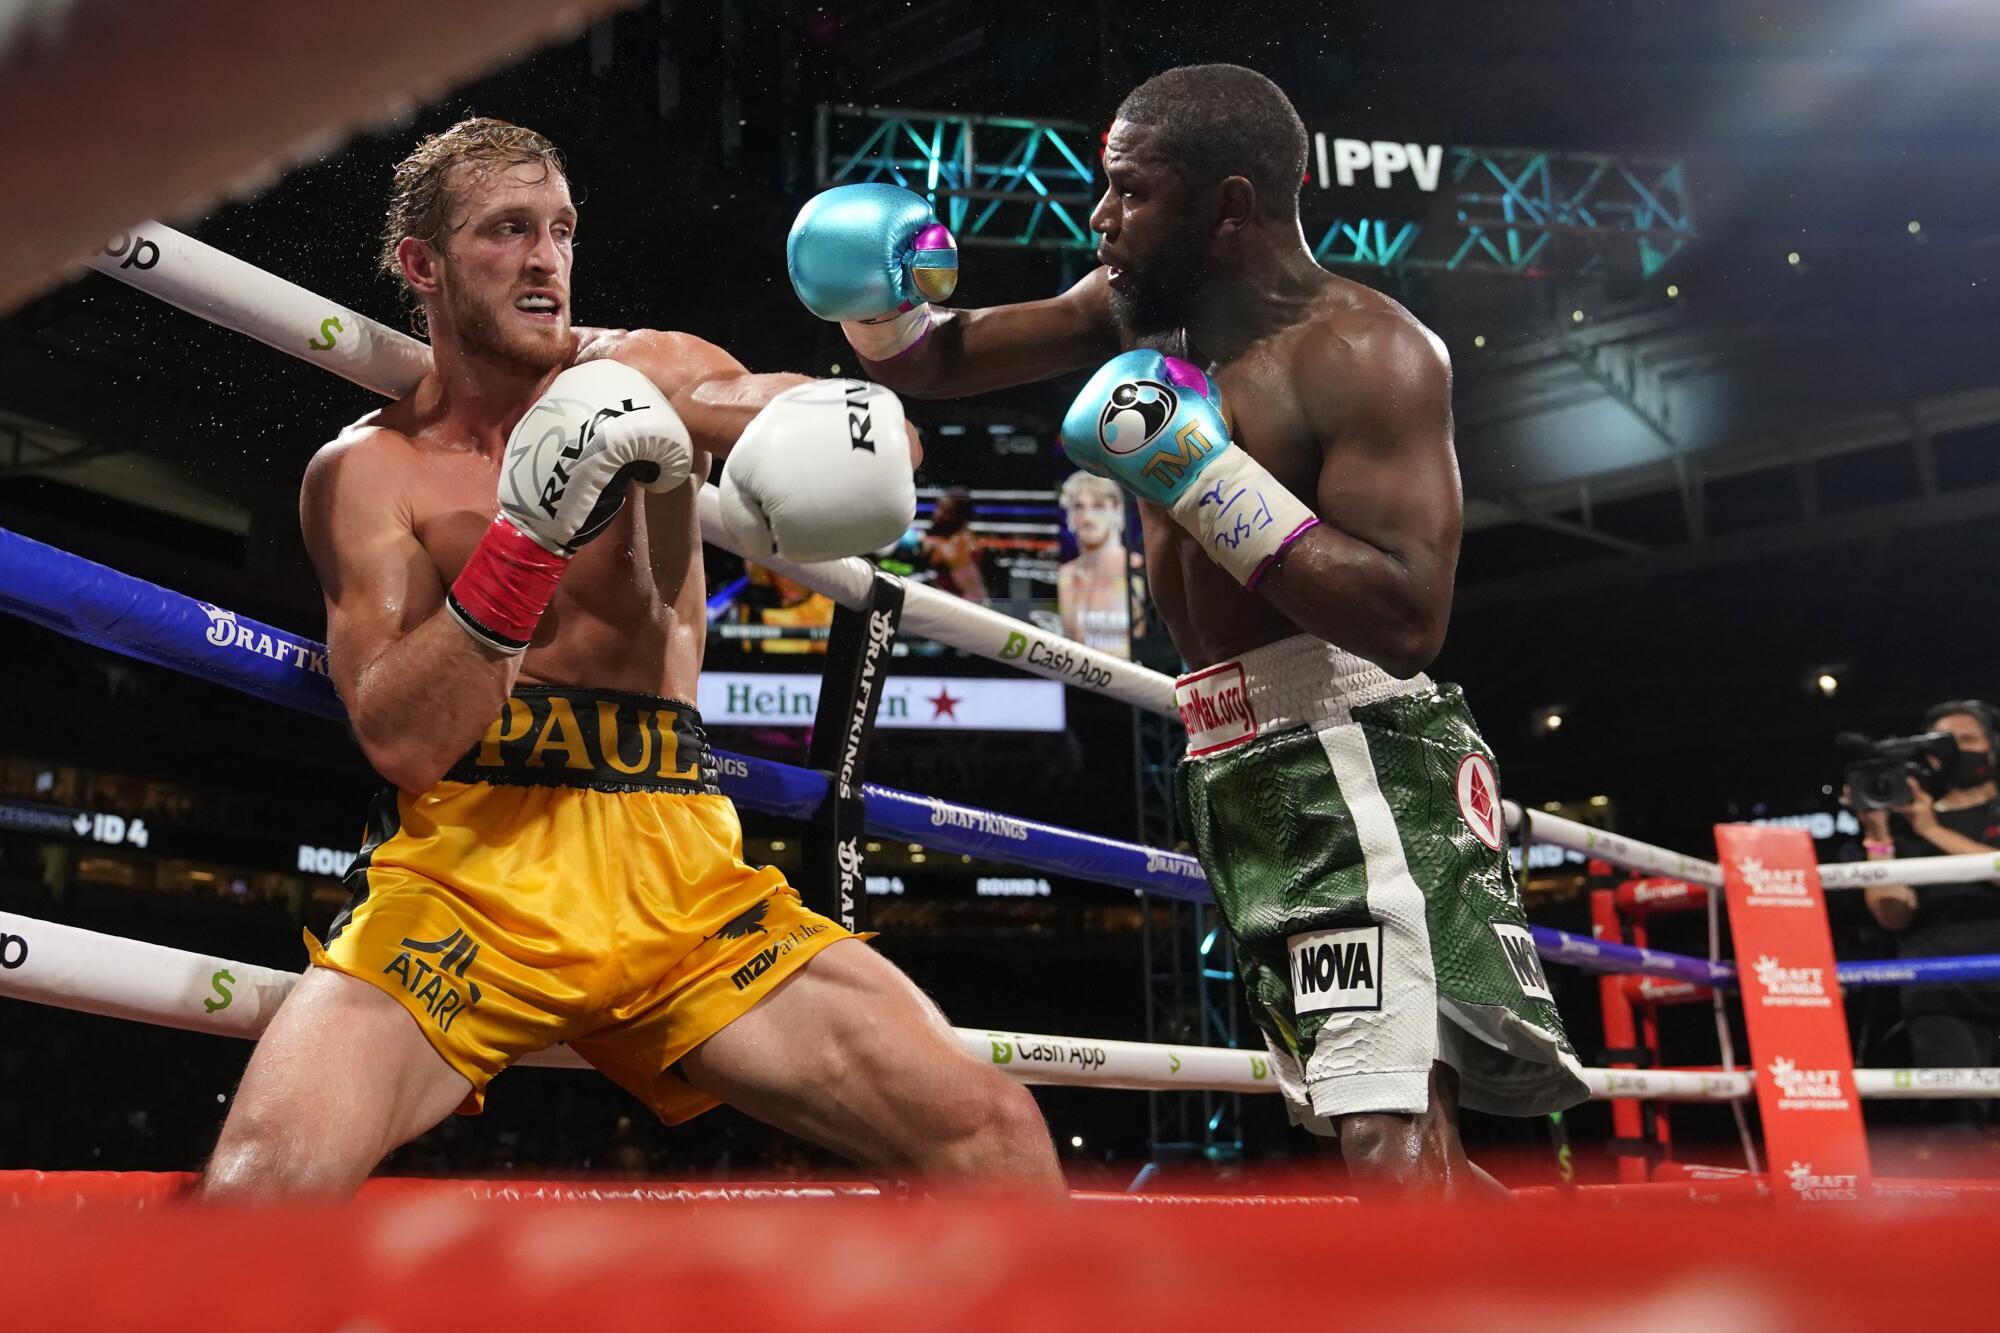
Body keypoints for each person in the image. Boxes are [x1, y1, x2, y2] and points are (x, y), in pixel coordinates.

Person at [198, 117, 1060, 1198]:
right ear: (421, 265)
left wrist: (858, 411)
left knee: (992, 1131)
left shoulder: (644, 371)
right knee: (259, 1187)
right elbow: (404, 739)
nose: (545, 259)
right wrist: (526, 540)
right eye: (507, 231)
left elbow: (796, 417)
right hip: (469, 880)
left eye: (559, 229)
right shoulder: (369, 472)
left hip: (683, 877)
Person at [790, 65, 1586, 1196]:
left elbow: (1408, 618)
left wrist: (1202, 475)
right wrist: (876, 298)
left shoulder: (1364, 353)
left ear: (1226, 206)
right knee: (1397, 1138)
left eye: (1130, 194)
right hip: (1234, 759)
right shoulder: (1139, 311)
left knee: (1385, 1131)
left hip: (1356, 752)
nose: (1100, 218)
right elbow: (943, 359)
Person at [1856, 700, 2000, 1136]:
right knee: (1959, 1128)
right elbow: (1893, 917)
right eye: (1945, 743)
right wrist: (1878, 836)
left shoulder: (1929, 826)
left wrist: (1934, 830)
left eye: (1968, 740)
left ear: (1992, 748)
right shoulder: (1901, 825)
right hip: (1939, 991)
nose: (1957, 750)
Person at [1056, 470, 1133, 658]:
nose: (1088, 517)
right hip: (1081, 682)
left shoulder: (1138, 569)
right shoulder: (1066, 575)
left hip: (1135, 681)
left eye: (1098, 507)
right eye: (1079, 507)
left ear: (1116, 510)